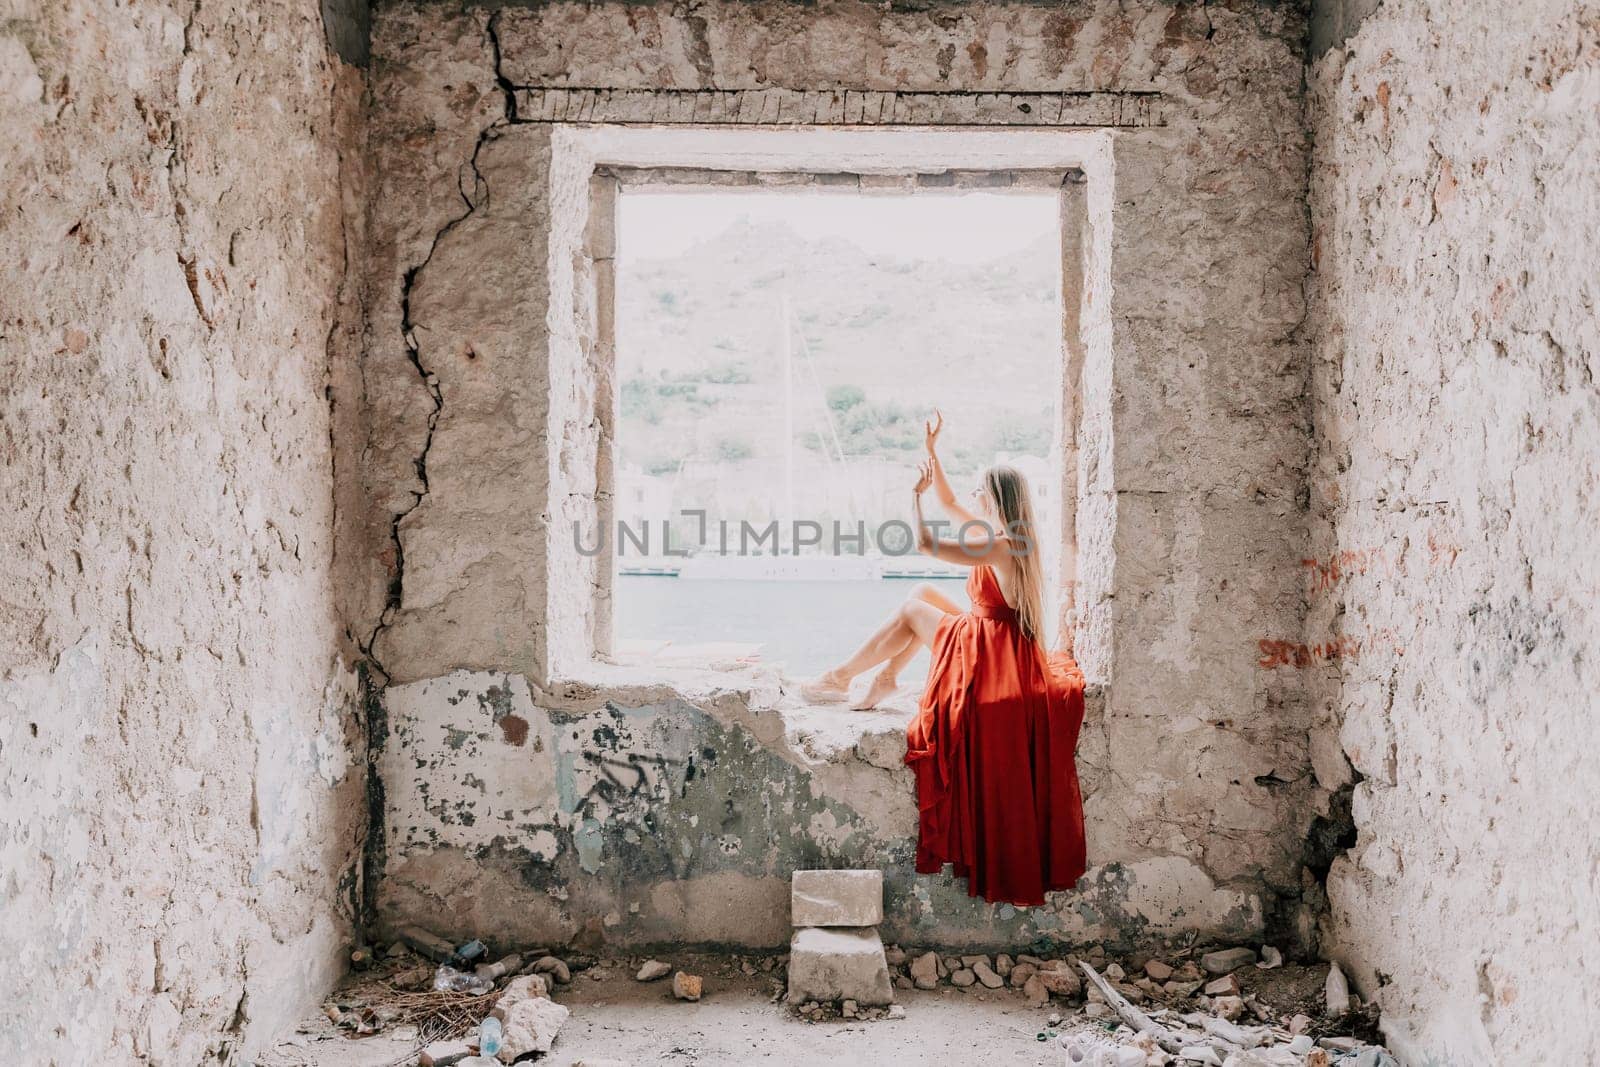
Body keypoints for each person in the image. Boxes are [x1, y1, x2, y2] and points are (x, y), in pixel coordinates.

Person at [802, 410, 1087, 905]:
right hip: (1003, 642)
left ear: (996, 499)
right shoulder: (1008, 533)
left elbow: (926, 541)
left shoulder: (1000, 544)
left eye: (982, 491)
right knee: (926, 593)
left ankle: (840, 675)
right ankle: (886, 677)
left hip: (993, 656)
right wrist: (933, 453)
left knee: (914, 609)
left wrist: (913, 497)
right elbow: (952, 502)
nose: (973, 497)